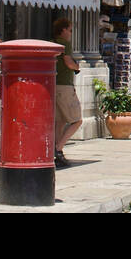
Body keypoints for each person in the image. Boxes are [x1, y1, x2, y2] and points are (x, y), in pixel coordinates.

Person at [52, 18, 81, 164]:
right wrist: (77, 67)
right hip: (65, 86)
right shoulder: (65, 44)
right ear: (63, 30)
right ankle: (58, 147)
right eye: (69, 30)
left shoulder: (53, 42)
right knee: (77, 120)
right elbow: (69, 63)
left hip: (53, 85)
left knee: (60, 120)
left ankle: (57, 152)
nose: (70, 33)